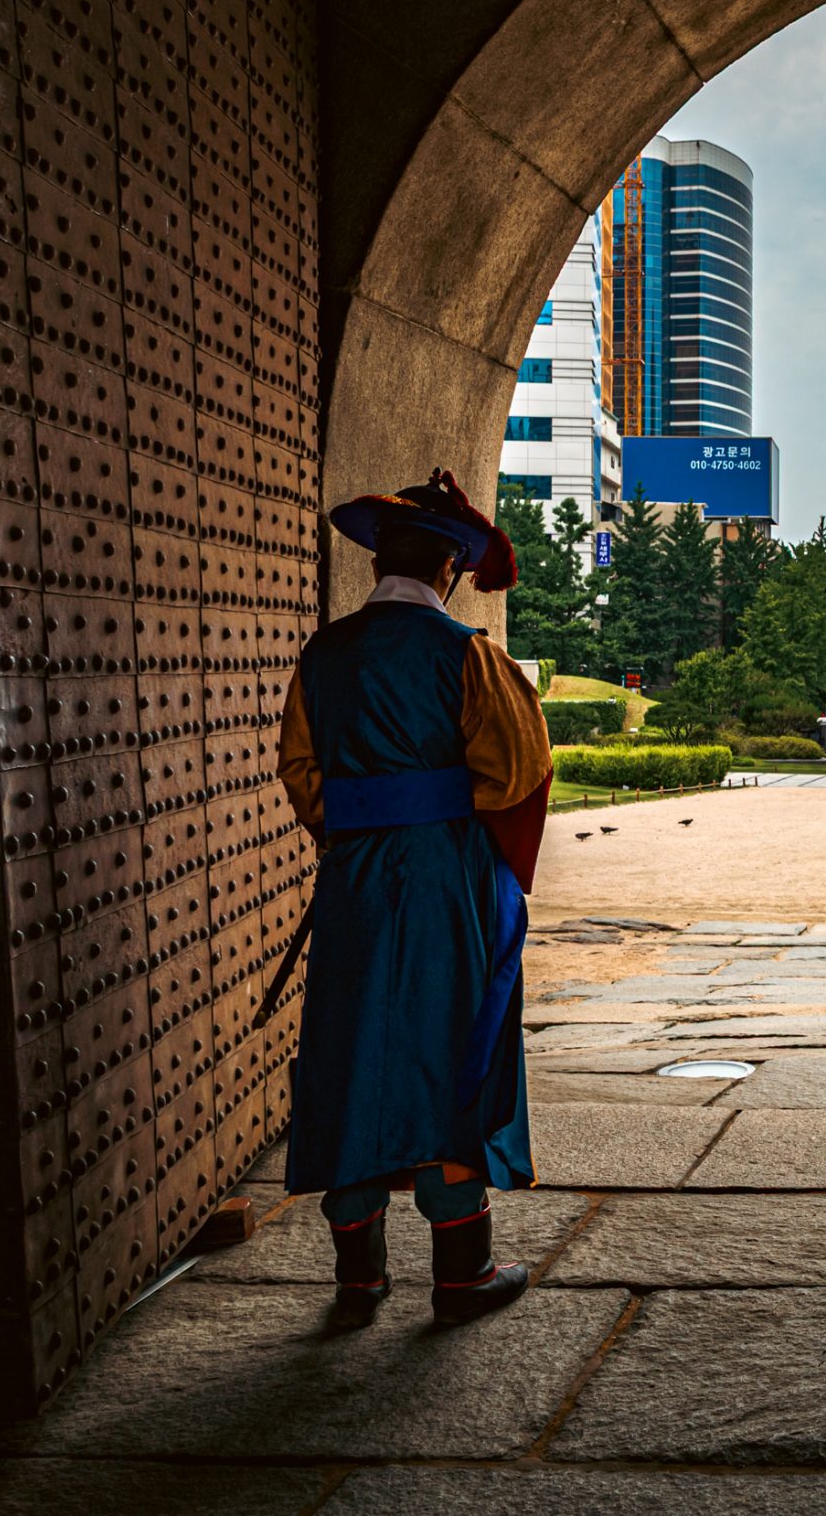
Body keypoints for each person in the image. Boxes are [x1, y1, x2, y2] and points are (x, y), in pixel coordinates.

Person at [276, 471, 553, 1330]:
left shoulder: (323, 654)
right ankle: (461, 1270)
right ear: (448, 571)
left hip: (356, 878)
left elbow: (303, 776)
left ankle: (357, 1278)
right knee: (452, 1040)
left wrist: (366, 818)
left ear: (375, 566)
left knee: (350, 1046)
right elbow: (516, 770)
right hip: (444, 878)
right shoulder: (468, 653)